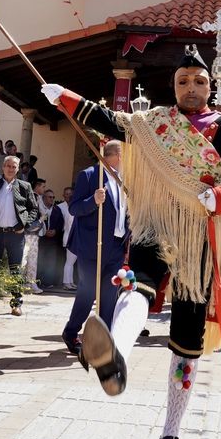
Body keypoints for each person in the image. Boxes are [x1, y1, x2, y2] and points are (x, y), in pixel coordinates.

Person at [41, 44, 221, 439]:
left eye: (199, 82)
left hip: (201, 232)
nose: (192, 88)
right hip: (155, 224)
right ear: (174, 86)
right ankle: (115, 354)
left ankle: (171, 437)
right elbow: (111, 121)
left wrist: (218, 196)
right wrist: (65, 97)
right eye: (184, 82)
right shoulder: (153, 122)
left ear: (210, 85)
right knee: (137, 285)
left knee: (186, 336)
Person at [62, 141, 129, 351]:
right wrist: (93, 200)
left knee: (109, 293)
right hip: (93, 245)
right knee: (88, 290)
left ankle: (104, 337)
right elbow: (74, 208)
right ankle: (71, 332)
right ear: (116, 155)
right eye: (125, 154)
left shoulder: (123, 179)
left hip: (116, 245)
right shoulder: (90, 175)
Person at [0, 155, 39, 316]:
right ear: (3, 167)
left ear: (18, 169)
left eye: (14, 166)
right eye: (8, 166)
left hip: (15, 235)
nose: (11, 169)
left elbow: (33, 209)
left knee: (15, 270)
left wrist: (24, 225)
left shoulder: (25, 186)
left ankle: (16, 304)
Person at [37, 189, 65, 288]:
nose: (52, 199)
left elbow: (61, 223)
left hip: (53, 240)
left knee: (50, 262)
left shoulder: (57, 210)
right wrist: (44, 232)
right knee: (40, 260)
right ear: (44, 198)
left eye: (53, 197)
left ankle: (48, 282)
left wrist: (55, 231)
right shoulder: (39, 209)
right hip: (41, 239)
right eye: (50, 197)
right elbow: (36, 221)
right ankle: (38, 282)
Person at [58, 186, 76, 289]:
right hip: (70, 237)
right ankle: (66, 283)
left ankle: (70, 282)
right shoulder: (71, 210)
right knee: (69, 262)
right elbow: (68, 226)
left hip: (72, 238)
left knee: (71, 262)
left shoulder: (72, 208)